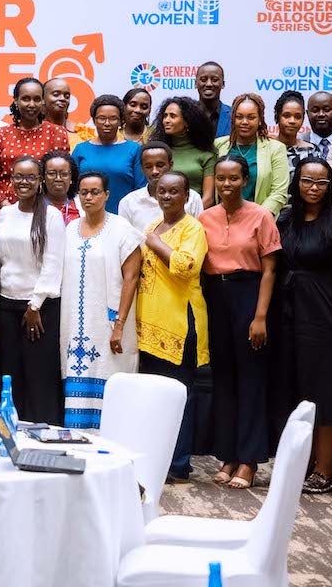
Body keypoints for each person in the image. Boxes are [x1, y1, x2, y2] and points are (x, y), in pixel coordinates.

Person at [274, 156, 332, 493]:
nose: (313, 188)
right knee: (297, 390)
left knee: (327, 393)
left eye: (321, 182)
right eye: (307, 181)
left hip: (327, 316)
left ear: (330, 186)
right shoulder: (287, 218)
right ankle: (303, 464)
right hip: (289, 313)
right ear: (297, 182)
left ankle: (326, 470)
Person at [200, 156, 281, 490]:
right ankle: (228, 455)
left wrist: (260, 316)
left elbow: (271, 270)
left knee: (250, 378)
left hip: (249, 294)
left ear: (245, 180)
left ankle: (248, 460)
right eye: (221, 179)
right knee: (224, 377)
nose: (227, 185)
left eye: (234, 178)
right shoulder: (205, 217)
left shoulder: (261, 215)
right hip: (214, 297)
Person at [136, 171, 209, 482]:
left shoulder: (193, 228)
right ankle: (157, 459)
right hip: (150, 323)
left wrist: (155, 243)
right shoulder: (153, 225)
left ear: (187, 195)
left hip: (181, 323)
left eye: (174, 192)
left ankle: (178, 464)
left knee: (179, 395)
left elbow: (185, 267)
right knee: (154, 397)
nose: (166, 196)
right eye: (161, 191)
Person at [59, 170, 142, 430]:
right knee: (76, 385)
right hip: (75, 324)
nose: (89, 197)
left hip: (110, 323)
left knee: (111, 379)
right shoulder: (71, 229)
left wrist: (118, 325)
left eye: (95, 192)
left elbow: (131, 279)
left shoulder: (122, 229)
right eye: (84, 192)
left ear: (107, 195)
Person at [0, 155, 66, 425]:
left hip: (39, 308)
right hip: (7, 303)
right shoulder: (4, 213)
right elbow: (1, 260)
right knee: (10, 372)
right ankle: (12, 428)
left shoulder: (51, 216)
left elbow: (53, 262)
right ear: (11, 180)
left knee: (40, 373)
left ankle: (43, 429)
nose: (23, 182)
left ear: (40, 181)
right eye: (18, 177)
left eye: (30, 177)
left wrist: (35, 304)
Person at [0, 77, 69, 224]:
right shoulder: (2, 133)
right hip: (1, 210)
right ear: (16, 101)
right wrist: (7, 208)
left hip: (42, 209)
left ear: (43, 101)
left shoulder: (56, 132)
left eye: (36, 99)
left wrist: (39, 208)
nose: (31, 104)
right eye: (25, 99)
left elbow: (58, 177)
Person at [213, 93, 289, 215]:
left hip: (260, 222)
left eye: (251, 117)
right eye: (239, 117)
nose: (244, 122)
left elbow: (279, 192)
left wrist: (257, 219)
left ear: (260, 120)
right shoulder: (218, 145)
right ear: (233, 119)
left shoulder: (276, 148)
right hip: (223, 222)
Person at [72, 94, 144, 214]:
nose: (107, 123)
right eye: (101, 118)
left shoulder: (134, 149)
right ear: (94, 120)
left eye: (113, 118)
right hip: (87, 218)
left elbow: (140, 190)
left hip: (124, 219)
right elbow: (72, 188)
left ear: (121, 121)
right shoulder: (81, 150)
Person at [118, 141, 205, 232]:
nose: (154, 171)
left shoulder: (191, 198)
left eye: (160, 165)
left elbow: (199, 234)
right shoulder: (128, 203)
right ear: (142, 169)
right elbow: (125, 241)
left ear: (170, 165)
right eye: (148, 167)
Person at [149, 96, 217, 206]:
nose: (166, 120)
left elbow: (208, 198)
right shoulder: (159, 152)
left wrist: (185, 219)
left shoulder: (206, 153)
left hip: (195, 217)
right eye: (165, 116)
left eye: (173, 116)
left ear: (187, 122)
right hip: (160, 214)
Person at [274, 90, 320, 177]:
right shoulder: (266, 149)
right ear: (277, 117)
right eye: (286, 115)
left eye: (297, 117)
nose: (292, 121)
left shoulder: (311, 150)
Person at [43, 77, 94, 148]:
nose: (62, 98)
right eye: (56, 94)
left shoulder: (82, 134)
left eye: (66, 96)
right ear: (42, 99)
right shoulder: (33, 131)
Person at [41, 150, 81, 224]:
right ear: (43, 177)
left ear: (71, 178)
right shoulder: (33, 206)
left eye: (64, 174)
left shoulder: (83, 205)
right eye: (52, 173)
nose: (58, 179)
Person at [304, 90, 332, 159]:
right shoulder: (297, 143)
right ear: (307, 113)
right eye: (315, 110)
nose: (321, 114)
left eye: (327, 110)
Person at [195, 61, 231, 138]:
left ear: (223, 84)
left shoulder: (234, 116)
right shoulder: (185, 115)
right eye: (203, 79)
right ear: (195, 83)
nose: (209, 84)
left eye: (214, 80)